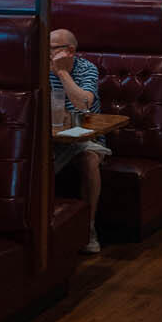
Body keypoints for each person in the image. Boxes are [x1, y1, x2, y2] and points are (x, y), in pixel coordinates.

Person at [49, 29, 109, 255]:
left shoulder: (86, 69)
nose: (46, 53)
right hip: (52, 139)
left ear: (69, 51)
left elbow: (83, 105)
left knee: (89, 158)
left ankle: (89, 227)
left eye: (52, 48)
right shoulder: (37, 67)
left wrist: (63, 73)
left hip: (86, 137)